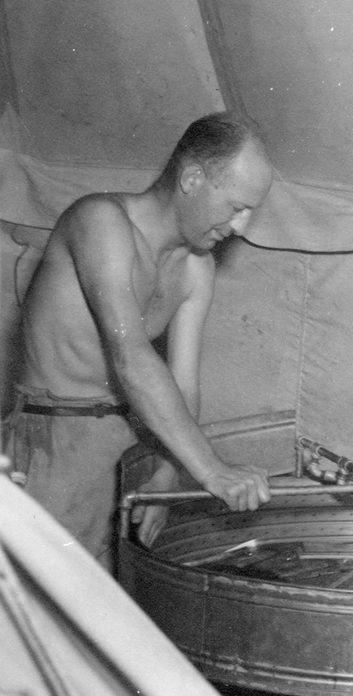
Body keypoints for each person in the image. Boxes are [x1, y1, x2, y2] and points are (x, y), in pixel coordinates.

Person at [2, 111, 275, 572]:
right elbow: (130, 356)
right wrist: (210, 470)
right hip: (57, 448)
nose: (242, 227)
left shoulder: (195, 267)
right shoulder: (100, 222)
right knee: (42, 618)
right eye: (236, 206)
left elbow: (184, 385)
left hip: (135, 446)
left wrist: (167, 475)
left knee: (120, 618)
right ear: (192, 178)